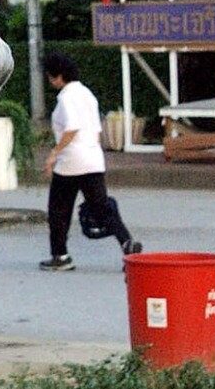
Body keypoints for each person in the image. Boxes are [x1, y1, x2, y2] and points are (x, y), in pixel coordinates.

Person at [40, 54, 141, 271]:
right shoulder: (87, 94)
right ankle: (127, 242)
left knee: (58, 210)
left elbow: (72, 127)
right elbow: (96, 130)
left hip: (70, 162)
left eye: (50, 76)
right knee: (102, 207)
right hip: (93, 159)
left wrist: (54, 154)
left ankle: (60, 256)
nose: (49, 80)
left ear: (58, 76)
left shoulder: (66, 98)